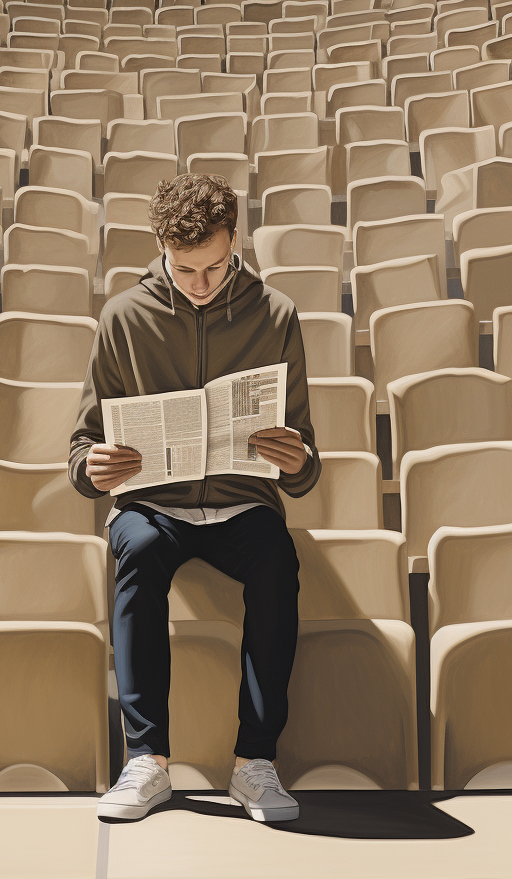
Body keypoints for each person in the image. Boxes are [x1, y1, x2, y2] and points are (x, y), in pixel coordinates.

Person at [68, 173, 322, 823]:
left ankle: (255, 762)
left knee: (276, 562)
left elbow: (305, 461)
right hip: (155, 505)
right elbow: (81, 445)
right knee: (136, 550)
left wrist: (297, 461)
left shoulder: (276, 315)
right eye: (185, 269)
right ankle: (146, 761)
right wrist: (91, 466)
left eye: (213, 266)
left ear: (235, 238)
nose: (200, 284)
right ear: (159, 245)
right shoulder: (122, 318)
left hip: (244, 504)